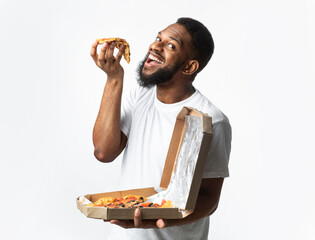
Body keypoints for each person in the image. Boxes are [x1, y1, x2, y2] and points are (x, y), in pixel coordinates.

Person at [90, 17, 232, 240]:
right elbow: (103, 152)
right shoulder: (140, 95)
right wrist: (114, 79)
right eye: (158, 38)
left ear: (189, 66)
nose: (155, 46)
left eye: (170, 45)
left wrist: (155, 220)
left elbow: (210, 198)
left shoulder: (212, 119)